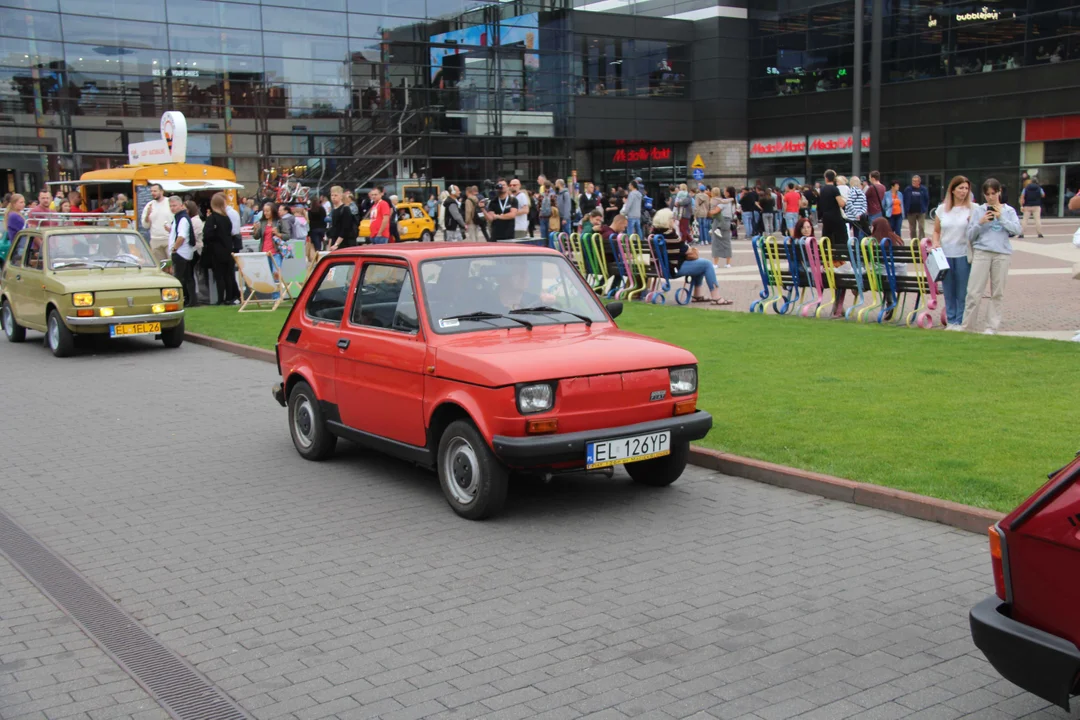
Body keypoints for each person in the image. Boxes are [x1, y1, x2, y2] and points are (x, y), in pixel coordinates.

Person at [961, 178, 1020, 335]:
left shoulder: (1009, 211)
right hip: (982, 252)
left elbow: (1017, 230)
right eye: (987, 194)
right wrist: (980, 222)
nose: (991, 197)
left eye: (993, 193)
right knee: (974, 291)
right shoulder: (979, 210)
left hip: (1002, 253)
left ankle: (991, 327)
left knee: (997, 292)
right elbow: (970, 235)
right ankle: (968, 326)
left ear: (999, 192)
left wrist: (1001, 217)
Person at [654, 206, 731, 305]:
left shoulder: (653, 235)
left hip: (660, 268)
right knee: (706, 264)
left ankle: (697, 295)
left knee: (700, 265)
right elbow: (685, 250)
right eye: (672, 219)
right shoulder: (670, 235)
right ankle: (716, 297)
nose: (674, 220)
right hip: (672, 269)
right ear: (666, 221)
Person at [933, 176, 975, 329]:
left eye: (966, 188)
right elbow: (937, 231)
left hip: (964, 253)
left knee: (963, 289)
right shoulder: (942, 209)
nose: (964, 192)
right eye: (960, 188)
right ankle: (951, 320)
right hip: (946, 254)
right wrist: (936, 242)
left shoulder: (973, 209)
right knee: (949, 289)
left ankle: (961, 319)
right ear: (952, 190)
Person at [201, 193, 236, 305]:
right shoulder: (226, 218)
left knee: (219, 275)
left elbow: (207, 235)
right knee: (229, 275)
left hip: (216, 250)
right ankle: (229, 297)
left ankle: (221, 298)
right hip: (228, 249)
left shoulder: (212, 218)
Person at [165, 196, 196, 306]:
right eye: (170, 206)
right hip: (184, 252)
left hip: (181, 253)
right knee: (188, 278)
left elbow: (182, 236)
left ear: (181, 205)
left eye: (174, 205)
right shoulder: (179, 218)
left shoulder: (182, 218)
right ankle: (191, 301)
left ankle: (180, 301)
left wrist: (174, 248)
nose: (172, 208)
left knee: (179, 279)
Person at [184, 200, 209, 305]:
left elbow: (192, 236)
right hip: (192, 249)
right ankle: (191, 297)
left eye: (185, 208)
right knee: (189, 275)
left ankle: (193, 298)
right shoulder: (191, 220)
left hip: (195, 250)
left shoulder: (195, 221)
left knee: (190, 275)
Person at [140, 183, 171, 263]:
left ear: (161, 192)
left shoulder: (169, 203)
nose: (152, 193)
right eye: (151, 191)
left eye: (155, 191)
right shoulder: (149, 205)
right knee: (160, 266)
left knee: (171, 265)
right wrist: (148, 215)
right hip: (155, 240)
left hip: (169, 238)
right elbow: (145, 225)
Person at [711, 187, 736, 269]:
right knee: (727, 242)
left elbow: (715, 211)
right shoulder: (733, 202)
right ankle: (728, 263)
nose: (723, 192)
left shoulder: (723, 202)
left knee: (716, 242)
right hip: (728, 222)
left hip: (719, 222)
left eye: (725, 191)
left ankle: (715, 263)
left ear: (728, 193)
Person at [327, 186, 358, 250]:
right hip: (335, 240)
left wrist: (336, 244)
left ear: (341, 196)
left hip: (344, 242)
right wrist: (330, 244)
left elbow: (345, 228)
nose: (333, 197)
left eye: (336, 195)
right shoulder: (334, 209)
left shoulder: (345, 209)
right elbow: (333, 228)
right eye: (332, 195)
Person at [903, 174, 930, 240]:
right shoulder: (908, 189)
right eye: (913, 181)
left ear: (919, 182)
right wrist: (906, 209)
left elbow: (927, 199)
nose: (914, 182)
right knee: (912, 228)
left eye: (915, 181)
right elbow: (904, 199)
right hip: (911, 212)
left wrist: (925, 208)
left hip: (921, 211)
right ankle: (914, 242)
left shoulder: (923, 189)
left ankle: (922, 241)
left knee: (921, 227)